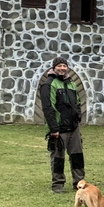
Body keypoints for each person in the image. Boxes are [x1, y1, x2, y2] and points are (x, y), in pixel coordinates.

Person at [39, 56, 85, 193]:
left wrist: (78, 117)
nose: (62, 68)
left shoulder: (71, 84)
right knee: (58, 157)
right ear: (54, 68)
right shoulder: (49, 85)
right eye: (59, 66)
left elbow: (77, 102)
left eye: (64, 66)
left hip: (73, 127)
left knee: (77, 156)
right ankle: (58, 184)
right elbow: (48, 108)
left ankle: (79, 182)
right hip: (59, 128)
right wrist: (54, 128)